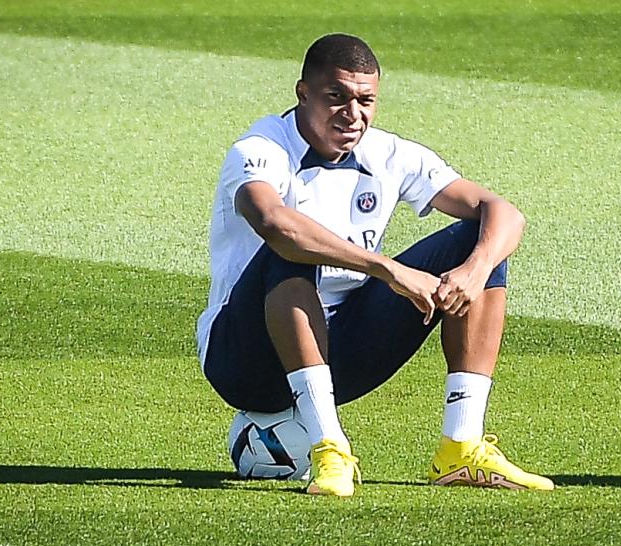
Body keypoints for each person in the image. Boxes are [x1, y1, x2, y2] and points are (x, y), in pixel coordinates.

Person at [197, 33, 555, 497]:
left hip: (340, 349)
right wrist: (387, 269)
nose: (353, 114)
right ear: (303, 93)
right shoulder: (259, 148)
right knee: (292, 246)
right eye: (336, 97)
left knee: (478, 240)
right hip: (243, 358)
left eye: (365, 100)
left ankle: (460, 447)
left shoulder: (388, 153)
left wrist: (476, 269)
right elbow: (273, 222)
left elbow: (504, 211)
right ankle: (329, 447)